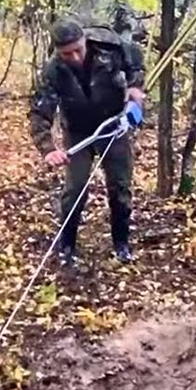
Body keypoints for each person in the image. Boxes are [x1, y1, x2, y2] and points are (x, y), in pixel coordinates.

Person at [29, 18, 147, 264]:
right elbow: (40, 111)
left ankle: (121, 243)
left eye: (77, 50)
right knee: (75, 189)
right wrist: (48, 149)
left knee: (120, 186)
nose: (73, 57)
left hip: (113, 125)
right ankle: (67, 246)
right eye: (66, 53)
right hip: (78, 130)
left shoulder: (110, 46)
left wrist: (135, 89)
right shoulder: (53, 70)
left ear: (85, 40)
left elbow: (136, 61)